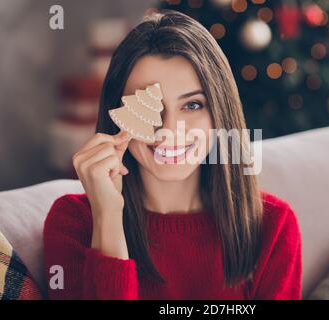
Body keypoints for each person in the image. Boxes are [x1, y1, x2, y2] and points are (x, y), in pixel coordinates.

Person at [43, 9, 302, 300]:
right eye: (148, 106)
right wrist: (108, 217)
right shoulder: (72, 223)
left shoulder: (273, 225)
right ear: (117, 114)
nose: (167, 129)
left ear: (220, 114)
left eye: (192, 105)